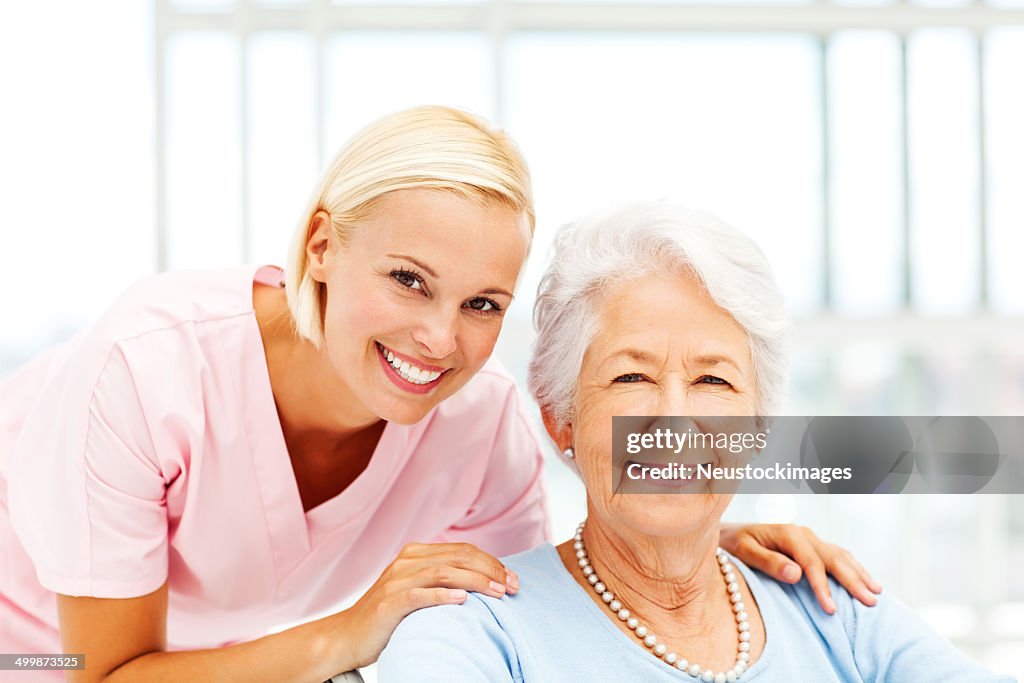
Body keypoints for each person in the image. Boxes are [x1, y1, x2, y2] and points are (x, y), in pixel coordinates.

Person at [2, 108, 877, 683]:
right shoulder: (148, 366)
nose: (439, 339)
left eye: (481, 304)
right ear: (320, 246)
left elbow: (538, 601)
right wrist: (347, 634)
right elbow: (104, 675)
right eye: (409, 280)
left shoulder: (478, 424)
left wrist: (697, 535)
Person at [378, 201, 1013, 682]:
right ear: (560, 419)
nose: (674, 421)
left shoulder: (834, 606)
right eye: (632, 377)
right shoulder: (469, 631)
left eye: (713, 380)